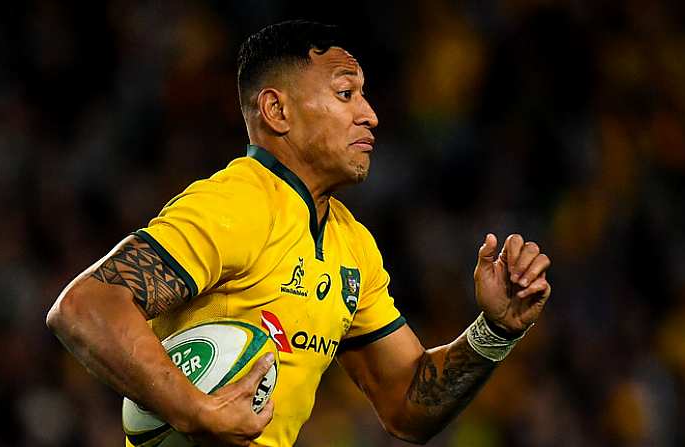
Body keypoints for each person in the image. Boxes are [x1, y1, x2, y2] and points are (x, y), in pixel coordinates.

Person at [46, 20, 552, 447]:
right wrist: (195, 410)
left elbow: (405, 406)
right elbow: (86, 306)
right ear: (277, 111)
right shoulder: (240, 202)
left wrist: (495, 330)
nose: (370, 114)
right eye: (345, 93)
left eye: (365, 96)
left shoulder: (352, 244)